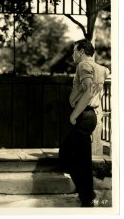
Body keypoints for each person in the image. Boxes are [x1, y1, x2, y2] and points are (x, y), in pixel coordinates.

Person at [59, 39, 110, 207]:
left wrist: (74, 114)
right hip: (90, 115)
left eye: (74, 51)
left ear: (81, 51)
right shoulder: (102, 69)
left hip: (83, 115)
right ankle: (87, 195)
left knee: (67, 154)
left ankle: (87, 195)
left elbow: (88, 92)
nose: (73, 55)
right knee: (82, 158)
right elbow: (95, 89)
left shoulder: (83, 66)